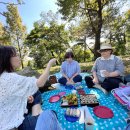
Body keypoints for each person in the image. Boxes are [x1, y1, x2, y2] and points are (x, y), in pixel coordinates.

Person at [0, 46, 62, 130]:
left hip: (10, 115)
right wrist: (49, 65)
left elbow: (8, 98)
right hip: (14, 125)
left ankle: (36, 115)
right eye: (16, 55)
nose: (19, 57)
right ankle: (37, 117)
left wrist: (25, 98)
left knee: (35, 92)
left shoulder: (3, 76)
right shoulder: (10, 78)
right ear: (7, 59)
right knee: (51, 114)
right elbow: (40, 83)